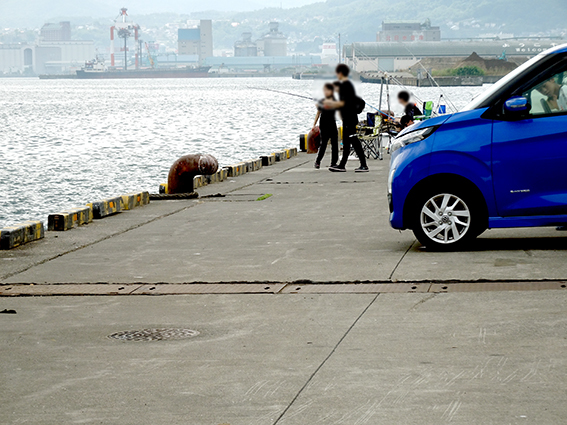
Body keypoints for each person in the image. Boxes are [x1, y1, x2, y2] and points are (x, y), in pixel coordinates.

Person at [323, 64, 368, 173]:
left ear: (340, 73)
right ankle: (342, 165)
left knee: (353, 140)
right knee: (347, 142)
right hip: (347, 118)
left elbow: (345, 103)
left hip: (349, 118)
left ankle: (364, 164)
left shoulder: (346, 85)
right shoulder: (347, 85)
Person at [312, 83, 339, 169]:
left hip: (332, 124)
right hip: (324, 124)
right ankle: (318, 161)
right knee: (323, 144)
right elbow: (318, 113)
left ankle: (334, 162)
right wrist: (314, 124)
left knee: (335, 144)